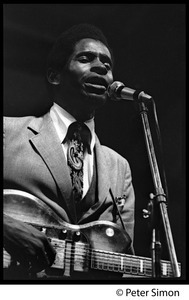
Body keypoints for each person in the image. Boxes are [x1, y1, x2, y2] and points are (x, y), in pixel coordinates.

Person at [3, 23, 135, 280]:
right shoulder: (8, 131)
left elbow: (123, 261)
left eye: (107, 64)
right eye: (86, 58)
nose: (101, 67)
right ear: (55, 76)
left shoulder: (120, 167)